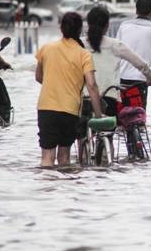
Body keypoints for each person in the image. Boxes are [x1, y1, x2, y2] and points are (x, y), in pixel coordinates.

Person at [35, 12, 103, 168]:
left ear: (61, 28)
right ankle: (66, 191)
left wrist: (55, 84)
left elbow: (39, 77)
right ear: (80, 30)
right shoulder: (84, 54)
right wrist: (98, 115)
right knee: (64, 157)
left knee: (47, 157)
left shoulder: (46, 48)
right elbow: (91, 85)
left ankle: (47, 189)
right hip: (70, 110)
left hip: (46, 109)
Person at [83, 6, 151, 116]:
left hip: (83, 99)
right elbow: (141, 64)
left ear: (88, 24)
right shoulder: (115, 45)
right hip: (109, 98)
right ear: (107, 25)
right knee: (108, 130)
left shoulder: (79, 44)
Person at [117, 0, 151, 109]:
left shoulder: (124, 26)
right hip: (140, 79)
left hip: (120, 78)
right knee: (138, 116)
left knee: (121, 115)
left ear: (136, 10)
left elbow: (116, 51)